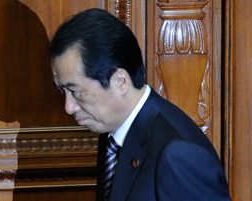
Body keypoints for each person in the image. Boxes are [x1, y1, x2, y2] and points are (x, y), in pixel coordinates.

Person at [49, 8, 231, 201]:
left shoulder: (179, 155)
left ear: (120, 81)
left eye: (76, 91)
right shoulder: (113, 133)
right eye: (63, 92)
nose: (69, 107)